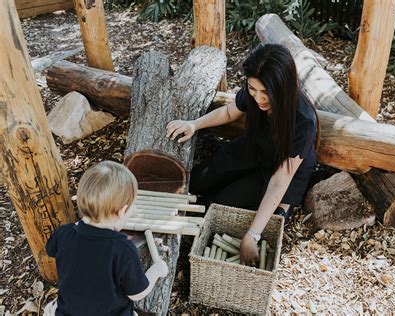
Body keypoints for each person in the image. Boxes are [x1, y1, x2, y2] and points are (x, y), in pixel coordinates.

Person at [166, 43, 317, 267]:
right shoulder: (254, 92)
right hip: (253, 148)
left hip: (278, 172)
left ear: (282, 87)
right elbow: (229, 111)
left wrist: (253, 235)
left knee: (219, 206)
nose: (258, 98)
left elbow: (279, 181)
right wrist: (194, 124)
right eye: (253, 89)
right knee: (197, 180)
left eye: (266, 92)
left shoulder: (303, 121)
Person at [45, 161, 168, 315]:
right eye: (132, 206)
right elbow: (137, 294)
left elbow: (50, 250)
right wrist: (156, 270)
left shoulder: (64, 233)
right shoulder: (122, 248)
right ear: (122, 211)